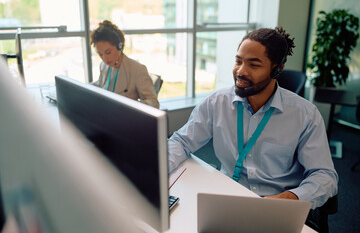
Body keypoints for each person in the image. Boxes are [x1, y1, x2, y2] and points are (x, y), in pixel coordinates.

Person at [168, 27, 338, 209]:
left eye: (253, 64)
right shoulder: (216, 103)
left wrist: (290, 198)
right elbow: (181, 141)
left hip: (277, 207)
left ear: (277, 69)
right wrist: (155, 171)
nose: (241, 71)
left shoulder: (305, 115)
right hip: (227, 196)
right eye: (238, 61)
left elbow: (325, 175)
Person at [90, 20, 159, 108]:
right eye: (100, 54)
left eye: (108, 52)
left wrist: (137, 105)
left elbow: (154, 103)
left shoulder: (137, 69)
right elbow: (100, 84)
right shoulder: (103, 66)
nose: (104, 58)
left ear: (120, 46)